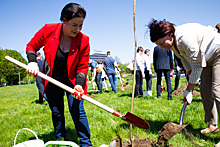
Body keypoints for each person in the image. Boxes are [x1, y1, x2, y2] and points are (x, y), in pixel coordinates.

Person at [26, 3, 92, 146]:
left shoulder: (84, 40)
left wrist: (79, 85)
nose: (78, 29)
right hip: (52, 78)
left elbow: (82, 66)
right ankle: (60, 138)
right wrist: (32, 62)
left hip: (73, 80)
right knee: (56, 111)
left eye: (81, 26)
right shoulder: (48, 30)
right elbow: (31, 46)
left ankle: (86, 143)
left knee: (77, 110)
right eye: (74, 25)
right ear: (64, 20)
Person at [148, 19, 220, 146]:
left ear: (169, 34)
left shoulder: (183, 38)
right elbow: (187, 61)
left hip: (217, 52)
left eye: (161, 43)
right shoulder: (174, 45)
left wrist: (189, 89)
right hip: (206, 59)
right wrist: (189, 75)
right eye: (158, 45)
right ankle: (212, 125)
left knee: (217, 90)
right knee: (204, 90)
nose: (161, 47)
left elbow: (197, 65)